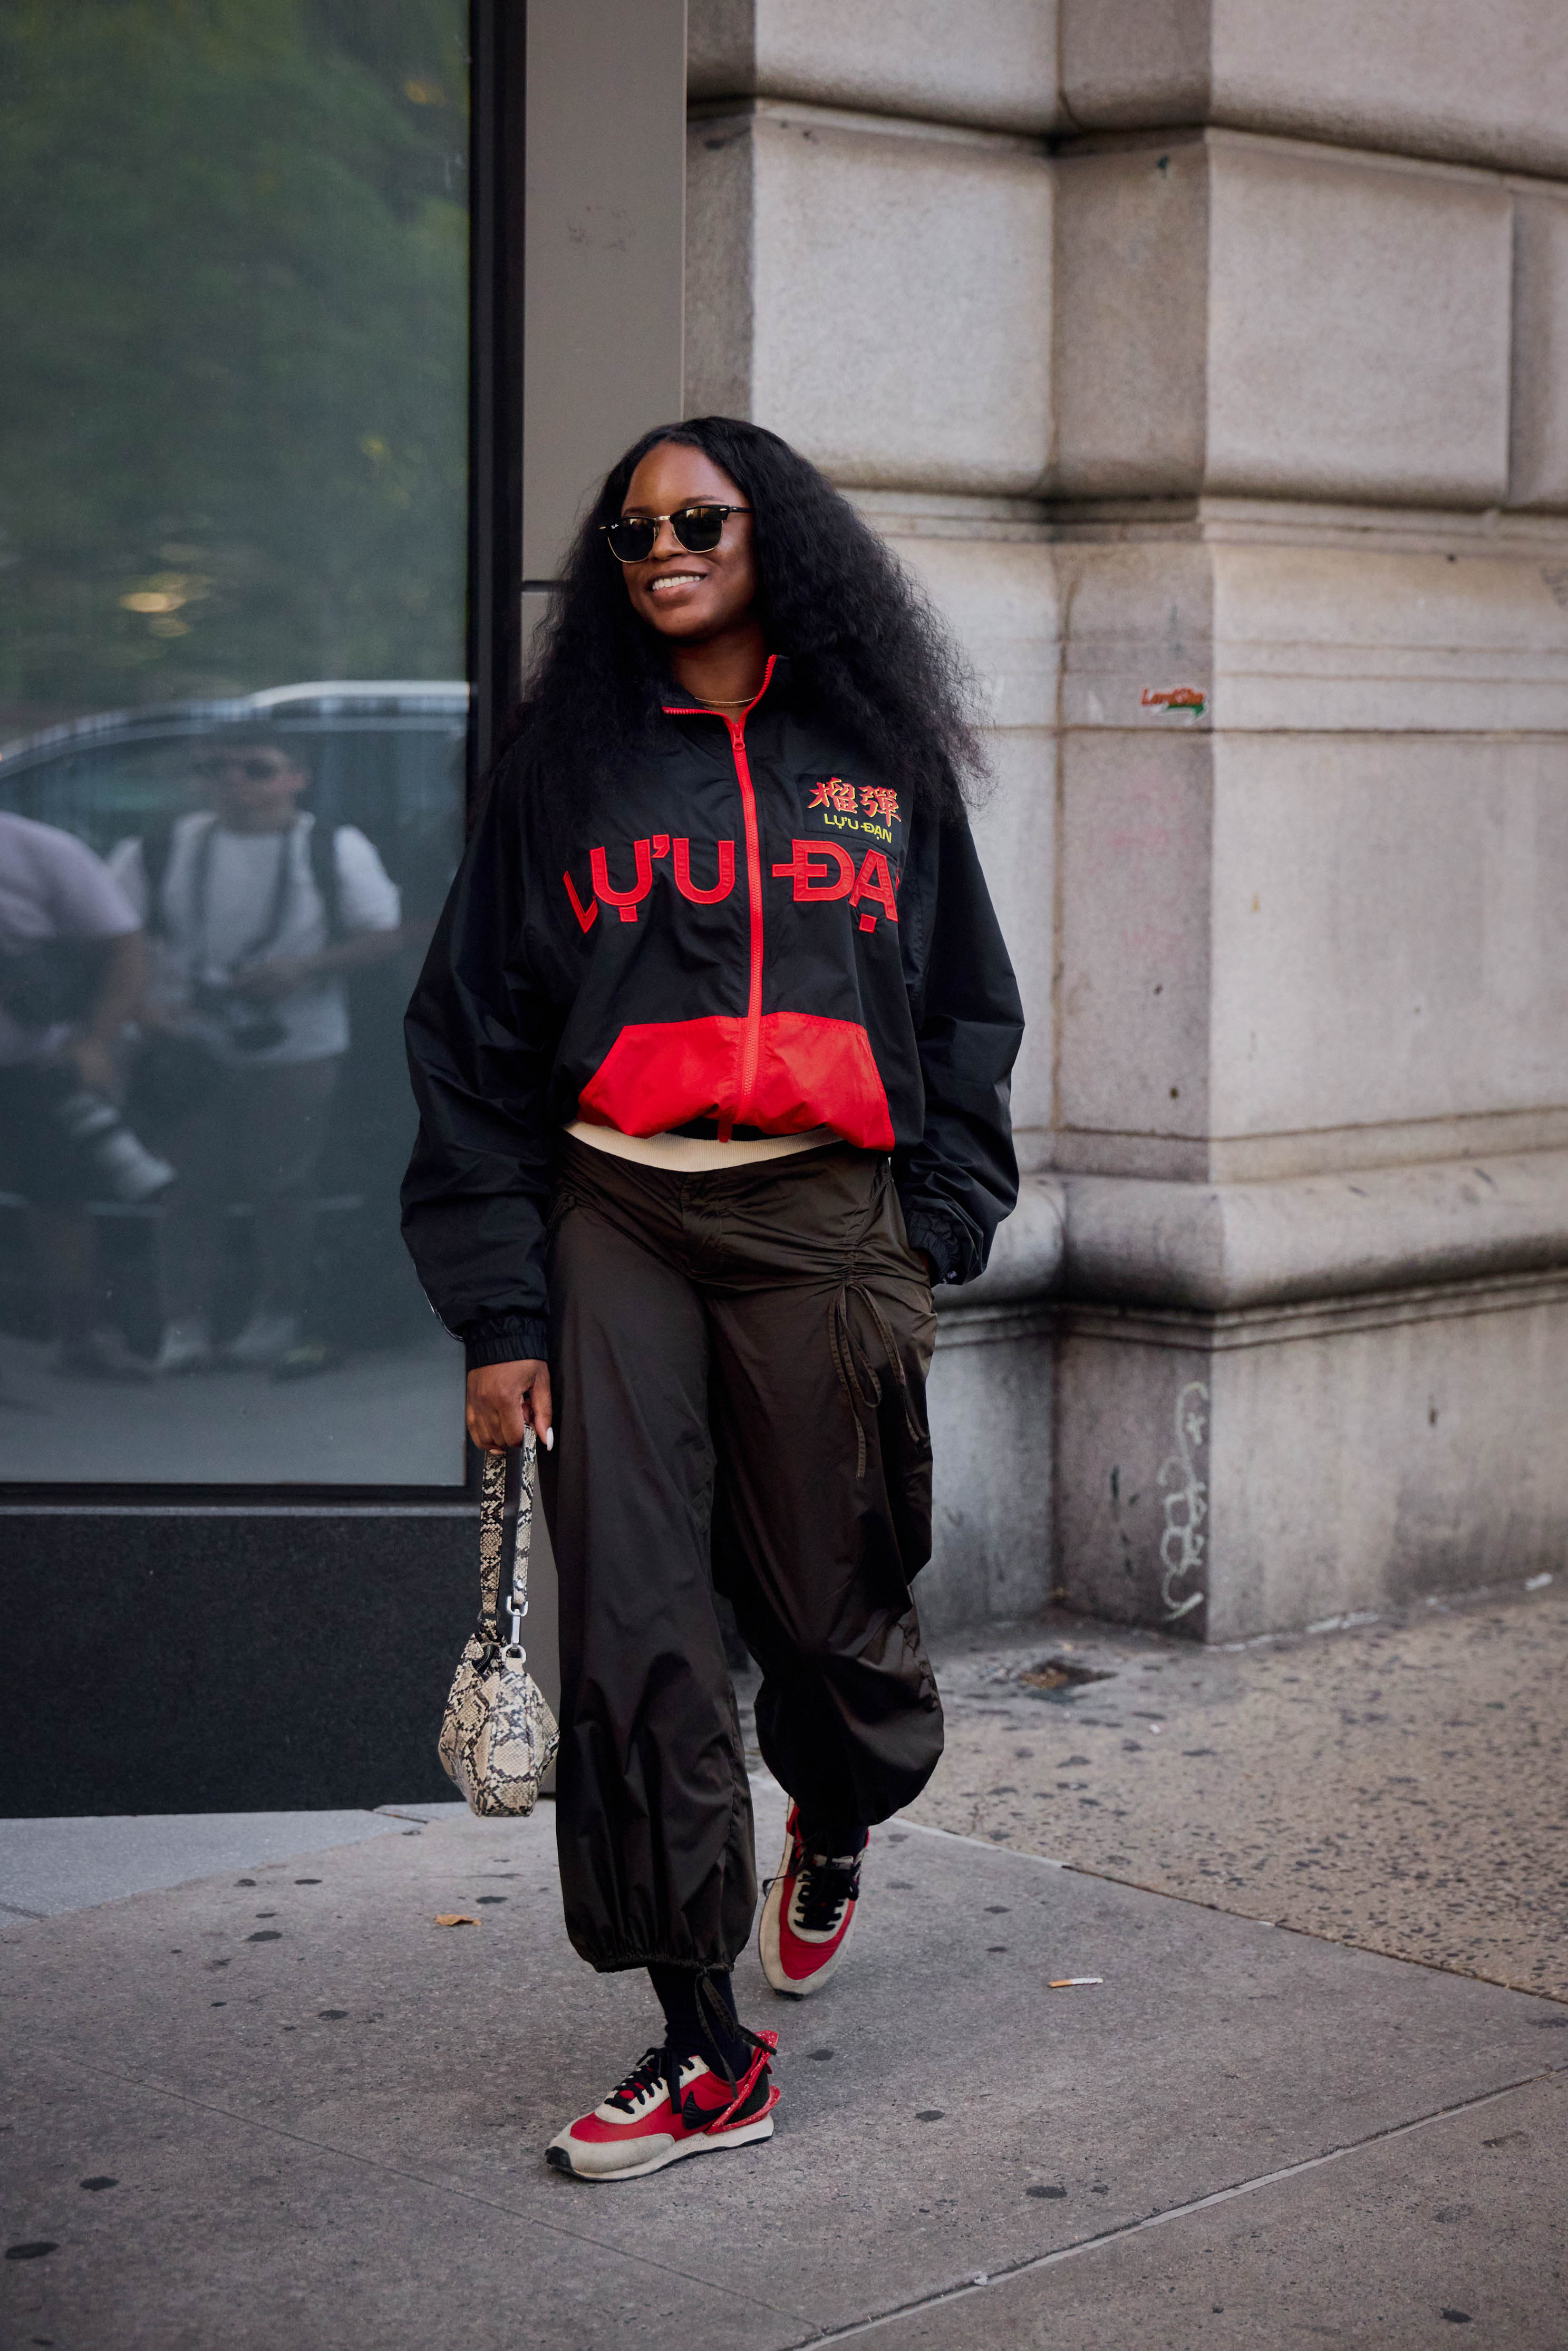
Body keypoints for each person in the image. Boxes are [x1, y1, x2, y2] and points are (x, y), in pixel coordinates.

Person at [402, 417, 1022, 2181]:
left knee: (835, 1608)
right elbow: (472, 1043)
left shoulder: (876, 756)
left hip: (828, 1223)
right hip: (617, 1217)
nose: (660, 546)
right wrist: (498, 1309)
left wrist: (941, 1219)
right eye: (629, 530)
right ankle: (697, 2037)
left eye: (697, 517)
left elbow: (968, 999)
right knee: (635, 1630)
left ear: (780, 537)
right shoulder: (569, 767)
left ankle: (837, 1801)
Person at [110, 732, 402, 1375]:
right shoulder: (159, 851)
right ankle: (183, 1324)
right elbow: (111, 936)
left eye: (255, 768)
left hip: (297, 1039)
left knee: (283, 1184)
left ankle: (278, 1316)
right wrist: (140, 1013)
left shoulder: (330, 847)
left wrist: (304, 969)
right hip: (186, 1041)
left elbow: (381, 934)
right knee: (187, 1188)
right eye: (214, 768)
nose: (233, 781)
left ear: (295, 777)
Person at [0, 808, 162, 1376]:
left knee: (59, 1199)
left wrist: (95, 1040)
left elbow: (124, 943)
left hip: (30, 1061)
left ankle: (80, 1341)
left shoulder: (39, 849)